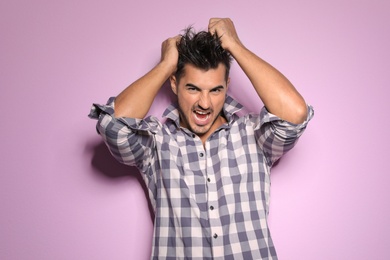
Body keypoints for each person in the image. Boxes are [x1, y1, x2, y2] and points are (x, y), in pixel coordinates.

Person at [89, 18, 314, 259]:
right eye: (193, 88)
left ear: (227, 86)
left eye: (215, 90)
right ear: (174, 84)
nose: (204, 104)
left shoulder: (253, 135)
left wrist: (235, 46)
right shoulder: (157, 142)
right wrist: (166, 65)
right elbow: (113, 126)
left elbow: (295, 113)